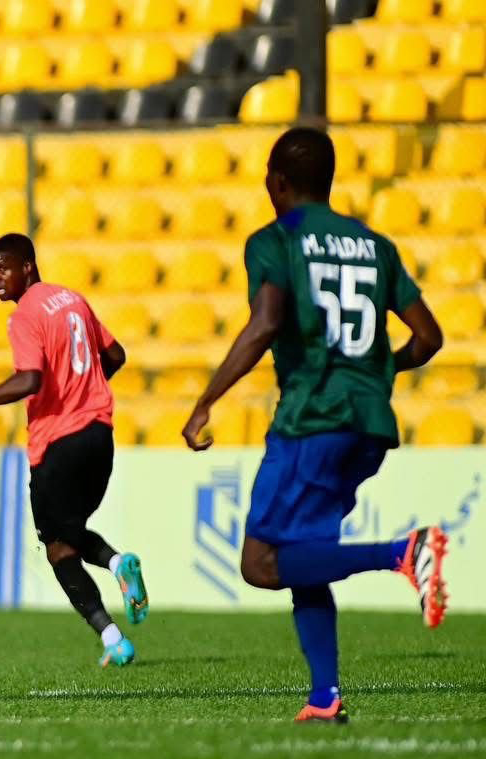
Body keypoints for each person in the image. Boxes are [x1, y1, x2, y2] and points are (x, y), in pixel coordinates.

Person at [183, 127, 449, 723]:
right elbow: (429, 337)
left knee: (259, 564)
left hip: (312, 418)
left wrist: (206, 400)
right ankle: (324, 695)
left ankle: (401, 552)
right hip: (369, 423)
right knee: (304, 553)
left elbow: (266, 321)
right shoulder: (374, 245)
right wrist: (379, 369)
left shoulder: (275, 240)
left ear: (276, 183)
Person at [0, 234, 148, 667]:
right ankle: (113, 616)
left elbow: (30, 379)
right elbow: (116, 355)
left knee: (57, 545)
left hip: (57, 442)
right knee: (66, 535)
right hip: (99, 435)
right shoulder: (72, 300)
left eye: (3, 268)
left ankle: (114, 595)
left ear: (27, 266)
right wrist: (84, 388)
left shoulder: (26, 315)